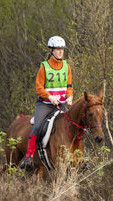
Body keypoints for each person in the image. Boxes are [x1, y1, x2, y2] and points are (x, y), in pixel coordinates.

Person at [19, 36, 74, 171]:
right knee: (37, 126)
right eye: (57, 49)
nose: (61, 52)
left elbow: (69, 86)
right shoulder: (44, 67)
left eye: (62, 49)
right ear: (51, 50)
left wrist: (70, 96)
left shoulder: (67, 67)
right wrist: (50, 97)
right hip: (45, 104)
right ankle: (29, 157)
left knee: (73, 126)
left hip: (60, 104)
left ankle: (77, 158)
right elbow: (39, 88)